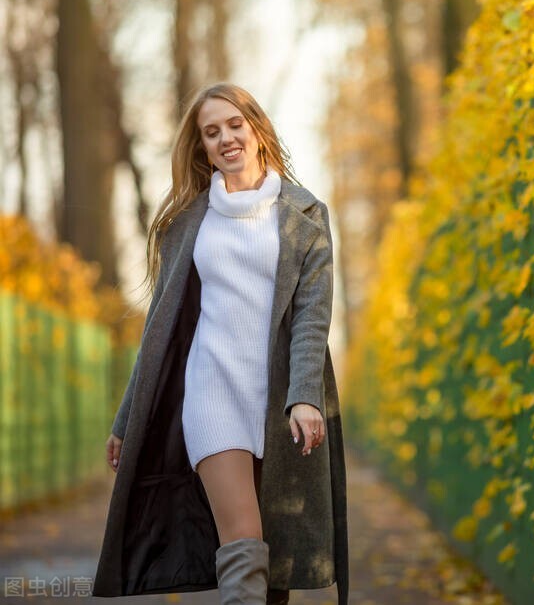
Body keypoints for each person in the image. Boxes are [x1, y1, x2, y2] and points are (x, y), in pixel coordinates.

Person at [92, 83, 349, 604]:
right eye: (212, 132)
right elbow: (159, 329)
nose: (226, 138)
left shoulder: (305, 215)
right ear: (202, 148)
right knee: (243, 540)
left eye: (235, 125)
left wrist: (304, 395)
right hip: (211, 393)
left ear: (256, 129)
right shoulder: (188, 225)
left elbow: (311, 315)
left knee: (274, 561)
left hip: (276, 399)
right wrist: (126, 418)